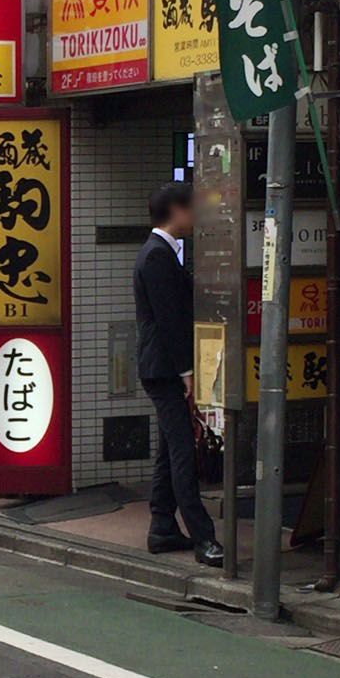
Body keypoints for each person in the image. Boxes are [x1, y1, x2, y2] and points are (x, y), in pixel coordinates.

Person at [134, 182, 223, 566]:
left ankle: (162, 527)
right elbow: (170, 320)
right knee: (183, 449)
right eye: (193, 209)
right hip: (165, 367)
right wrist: (187, 371)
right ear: (176, 210)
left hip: (161, 366)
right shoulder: (157, 256)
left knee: (171, 449)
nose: (196, 217)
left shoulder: (161, 253)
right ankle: (204, 538)